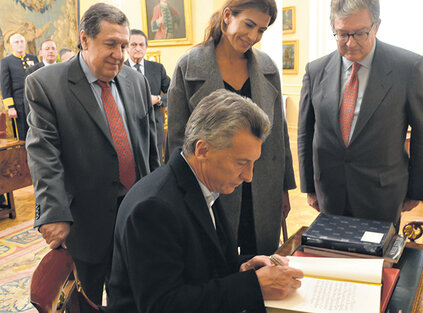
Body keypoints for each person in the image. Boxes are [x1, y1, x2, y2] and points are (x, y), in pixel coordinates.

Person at [107, 89, 303, 313]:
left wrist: (243, 267)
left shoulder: (200, 182)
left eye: (252, 163)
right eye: (241, 163)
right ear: (203, 150)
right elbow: (164, 306)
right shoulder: (154, 209)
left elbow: (205, 264)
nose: (249, 176)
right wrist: (253, 285)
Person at [25, 3, 159, 304]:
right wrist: (53, 212)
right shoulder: (46, 85)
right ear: (85, 40)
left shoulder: (137, 82)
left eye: (123, 45)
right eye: (111, 44)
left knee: (134, 298)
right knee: (85, 302)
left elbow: (150, 150)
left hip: (135, 216)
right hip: (84, 222)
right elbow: (44, 155)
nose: (119, 54)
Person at [166, 0, 296, 256]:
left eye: (261, 30)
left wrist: (283, 188)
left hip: (261, 186)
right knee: (213, 263)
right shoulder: (188, 67)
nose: (253, 36)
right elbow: (177, 143)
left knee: (260, 262)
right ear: (227, 15)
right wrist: (182, 198)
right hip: (212, 188)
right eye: (248, 24)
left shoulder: (268, 68)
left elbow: (279, 137)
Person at [297, 0, 423, 226]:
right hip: (330, 192)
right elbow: (306, 133)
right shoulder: (315, 71)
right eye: (342, 34)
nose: (350, 43)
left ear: (377, 25)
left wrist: (417, 191)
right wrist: (310, 187)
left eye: (360, 33)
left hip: (381, 195)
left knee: (379, 259)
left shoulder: (409, 68)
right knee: (330, 257)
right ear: (333, 27)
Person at [125, 29, 170, 163]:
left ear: (146, 47)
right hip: (130, 126)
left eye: (141, 45)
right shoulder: (119, 69)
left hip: (155, 126)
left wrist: (158, 99)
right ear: (127, 47)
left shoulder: (157, 68)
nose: (137, 48)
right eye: (133, 45)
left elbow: (173, 92)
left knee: (156, 164)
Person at [1, 33, 38, 140]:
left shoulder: (33, 58)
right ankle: (24, 156)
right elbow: (5, 86)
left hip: (34, 101)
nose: (20, 44)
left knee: (37, 130)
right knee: (22, 134)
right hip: (18, 104)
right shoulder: (6, 61)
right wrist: (10, 107)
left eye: (22, 41)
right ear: (11, 45)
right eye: (16, 42)